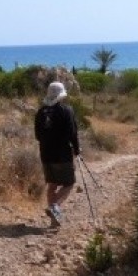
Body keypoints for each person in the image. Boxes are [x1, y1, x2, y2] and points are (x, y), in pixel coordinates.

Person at [34, 81, 80, 227]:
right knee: (69, 183)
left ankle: (54, 221)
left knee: (52, 185)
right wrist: (77, 150)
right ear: (61, 96)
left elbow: (37, 135)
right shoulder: (67, 110)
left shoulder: (40, 112)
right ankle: (55, 206)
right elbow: (72, 133)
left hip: (46, 155)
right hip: (62, 155)